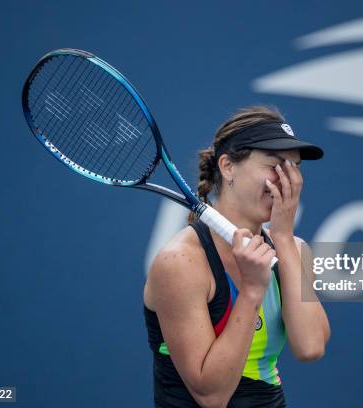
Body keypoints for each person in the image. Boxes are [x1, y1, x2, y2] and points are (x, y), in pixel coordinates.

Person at [143, 106, 331, 407]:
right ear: (228, 167)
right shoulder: (179, 263)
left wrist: (282, 238)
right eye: (275, 165)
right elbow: (211, 395)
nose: (287, 180)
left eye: (294, 167)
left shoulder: (293, 250)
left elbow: (310, 347)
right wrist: (252, 290)